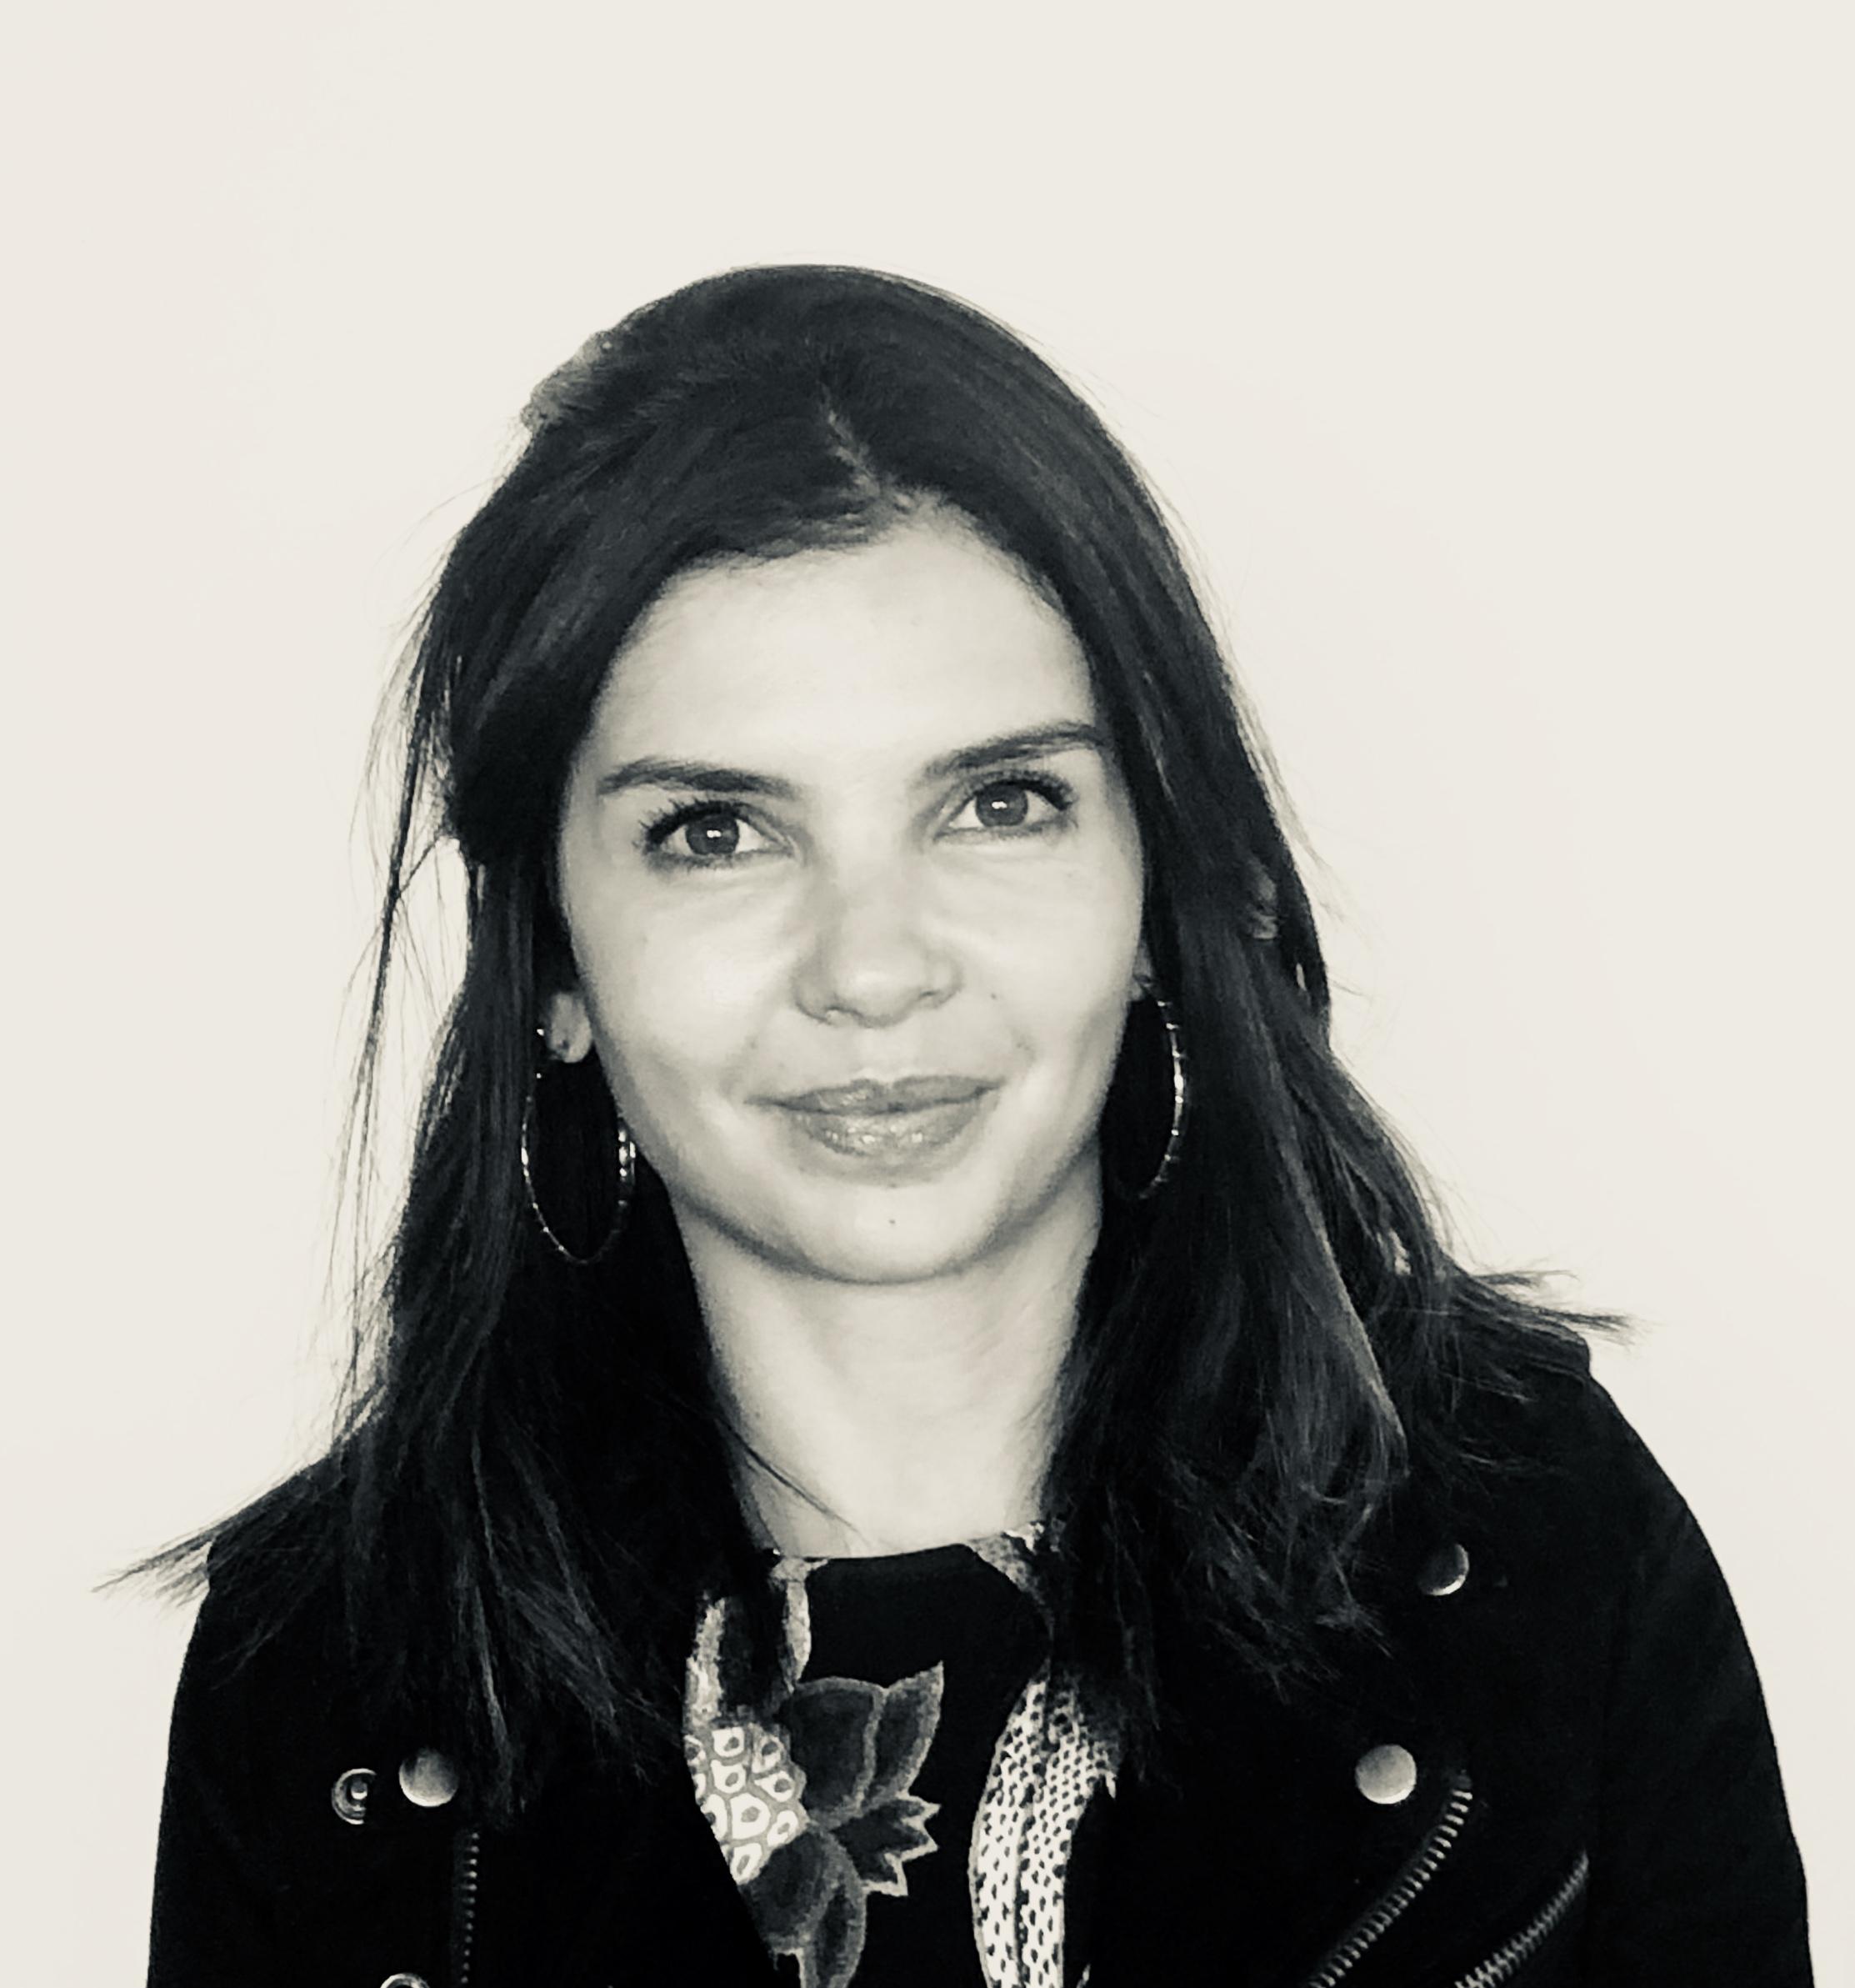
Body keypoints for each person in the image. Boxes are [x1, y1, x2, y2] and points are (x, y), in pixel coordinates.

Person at [142, 264, 1810, 1986]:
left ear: (1158, 889)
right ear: (553, 959)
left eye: (1000, 802)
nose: (873, 968)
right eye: (716, 831)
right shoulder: (324, 1677)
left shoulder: (1537, 1547)